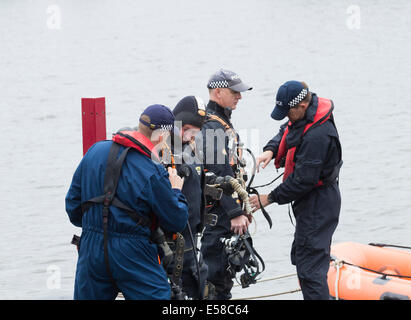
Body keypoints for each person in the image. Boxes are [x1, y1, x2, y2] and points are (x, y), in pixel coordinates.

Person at [65, 104, 189, 300]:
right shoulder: (153, 170)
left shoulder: (94, 151)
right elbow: (176, 221)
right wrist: (175, 190)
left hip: (91, 248)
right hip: (132, 251)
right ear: (161, 137)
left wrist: (97, 225)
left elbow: (72, 206)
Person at [250, 81, 343, 300]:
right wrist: (271, 150)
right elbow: (286, 130)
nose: (286, 117)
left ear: (302, 105)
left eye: (288, 112)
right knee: (303, 259)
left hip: (319, 203)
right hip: (311, 202)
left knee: (310, 270)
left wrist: (269, 198)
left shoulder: (318, 136)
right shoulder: (305, 116)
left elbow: (303, 181)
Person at [200, 68, 253, 300]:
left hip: (226, 213)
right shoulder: (212, 126)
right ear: (218, 92)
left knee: (225, 275)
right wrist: (234, 212)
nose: (239, 97)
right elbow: (219, 172)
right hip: (221, 216)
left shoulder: (220, 123)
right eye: (235, 92)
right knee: (216, 281)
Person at [163, 95, 209, 299]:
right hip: (172, 243)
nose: (190, 136)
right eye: (187, 130)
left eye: (194, 133)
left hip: (192, 238)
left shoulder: (190, 147)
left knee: (199, 289)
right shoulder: (161, 151)